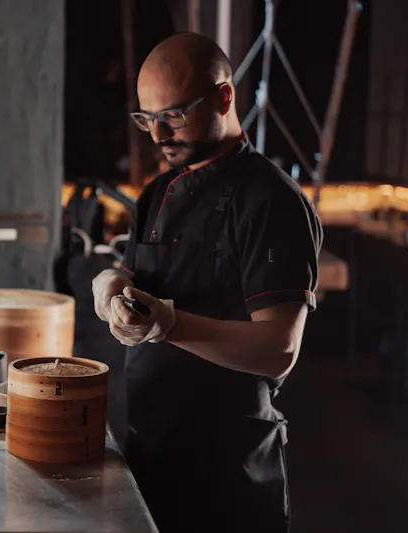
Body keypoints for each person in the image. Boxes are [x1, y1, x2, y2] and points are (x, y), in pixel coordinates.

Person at [92, 32, 322, 533]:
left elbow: (279, 347)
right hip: (149, 456)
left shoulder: (272, 202)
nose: (157, 135)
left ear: (224, 97)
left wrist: (168, 325)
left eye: (173, 116)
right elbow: (135, 285)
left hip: (227, 476)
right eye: (147, 119)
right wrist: (112, 291)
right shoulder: (156, 193)